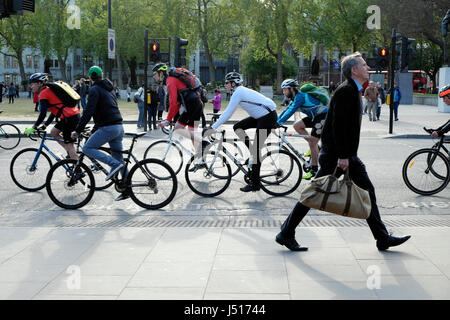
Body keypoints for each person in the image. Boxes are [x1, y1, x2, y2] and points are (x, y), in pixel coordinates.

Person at [275, 52, 411, 252]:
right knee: (315, 193)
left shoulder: (352, 90)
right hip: (337, 155)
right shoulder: (346, 91)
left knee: (365, 191)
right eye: (364, 65)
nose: (367, 68)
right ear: (354, 70)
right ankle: (286, 232)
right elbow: (338, 126)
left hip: (342, 154)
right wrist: (344, 157)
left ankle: (382, 237)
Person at [210, 72, 278, 192]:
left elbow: (228, 113)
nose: (224, 85)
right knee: (237, 127)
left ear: (233, 83)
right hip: (261, 116)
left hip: (267, 117)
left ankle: (255, 184)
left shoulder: (239, 92)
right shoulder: (239, 92)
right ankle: (252, 152)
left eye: (226, 83)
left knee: (256, 152)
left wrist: (213, 128)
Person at [71, 66, 127, 201]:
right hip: (118, 127)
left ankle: (112, 164)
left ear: (90, 78)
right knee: (120, 160)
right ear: (101, 76)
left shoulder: (94, 89)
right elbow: (104, 110)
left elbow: (89, 112)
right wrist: (95, 129)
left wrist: (77, 130)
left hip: (108, 128)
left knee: (87, 148)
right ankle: (126, 189)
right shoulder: (109, 88)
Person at [277, 79, 329, 180]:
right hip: (315, 116)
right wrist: (276, 121)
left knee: (312, 143)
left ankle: (314, 169)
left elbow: (291, 111)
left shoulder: (300, 97)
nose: (284, 92)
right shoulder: (296, 97)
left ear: (291, 89)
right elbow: (287, 109)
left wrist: (279, 123)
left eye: (285, 90)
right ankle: (316, 148)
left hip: (323, 116)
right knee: (297, 126)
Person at [153, 63, 204, 160]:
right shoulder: (173, 79)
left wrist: (168, 120)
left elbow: (173, 102)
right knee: (192, 132)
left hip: (191, 105)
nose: (154, 77)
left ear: (161, 74)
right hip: (197, 103)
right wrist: (169, 118)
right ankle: (200, 160)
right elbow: (176, 104)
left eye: (155, 74)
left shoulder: (170, 81)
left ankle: (202, 140)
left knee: (178, 128)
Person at [24, 73, 80, 159]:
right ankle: (70, 153)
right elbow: (55, 111)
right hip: (70, 116)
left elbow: (43, 114)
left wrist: (34, 127)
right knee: (54, 133)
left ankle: (77, 169)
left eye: (32, 84)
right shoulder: (49, 90)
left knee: (69, 144)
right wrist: (45, 125)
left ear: (39, 83)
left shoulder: (43, 93)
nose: (31, 87)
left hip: (69, 118)